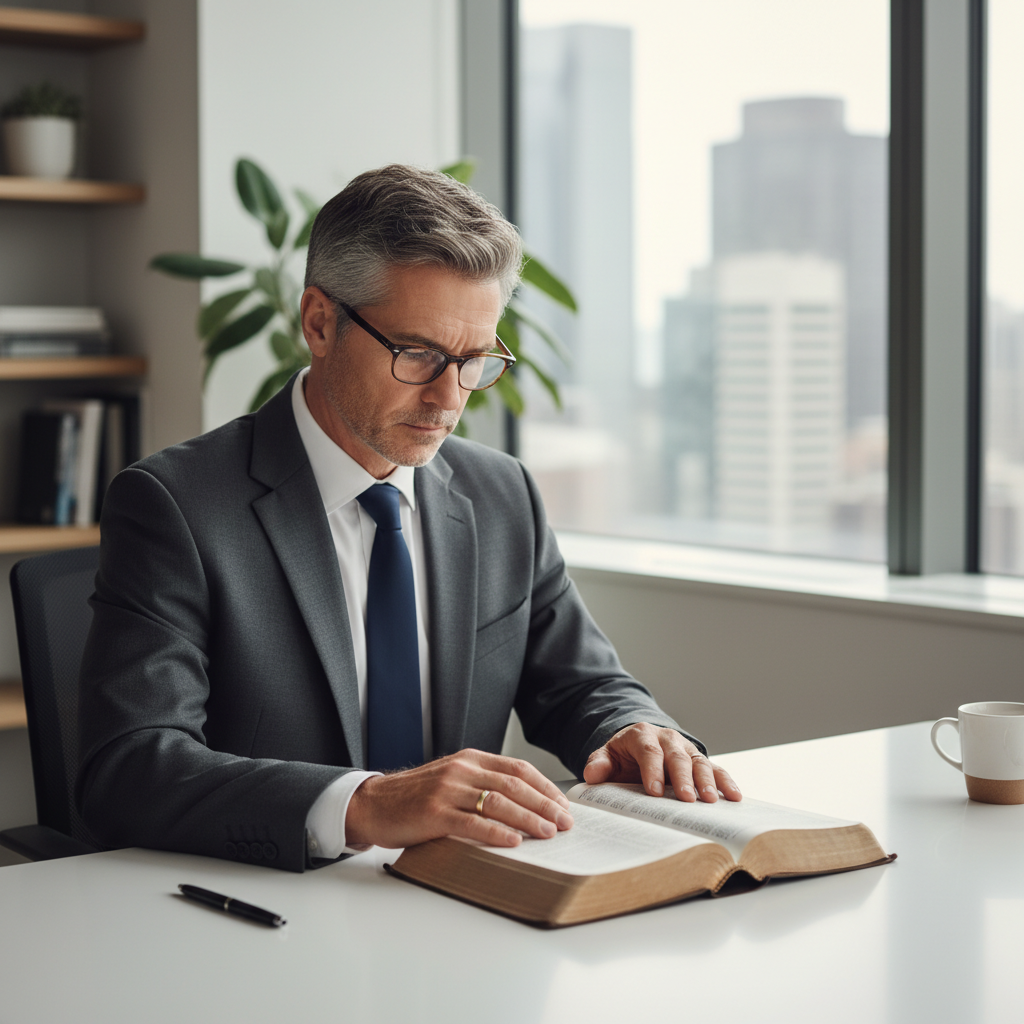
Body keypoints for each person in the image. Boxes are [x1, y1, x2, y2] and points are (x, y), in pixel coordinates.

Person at [77, 164, 740, 873]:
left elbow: (581, 684)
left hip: (463, 905)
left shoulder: (501, 493)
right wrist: (365, 804)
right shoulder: (175, 504)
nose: (448, 399)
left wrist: (634, 728)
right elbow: (132, 765)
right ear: (320, 323)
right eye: (417, 354)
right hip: (267, 910)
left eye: (475, 359)